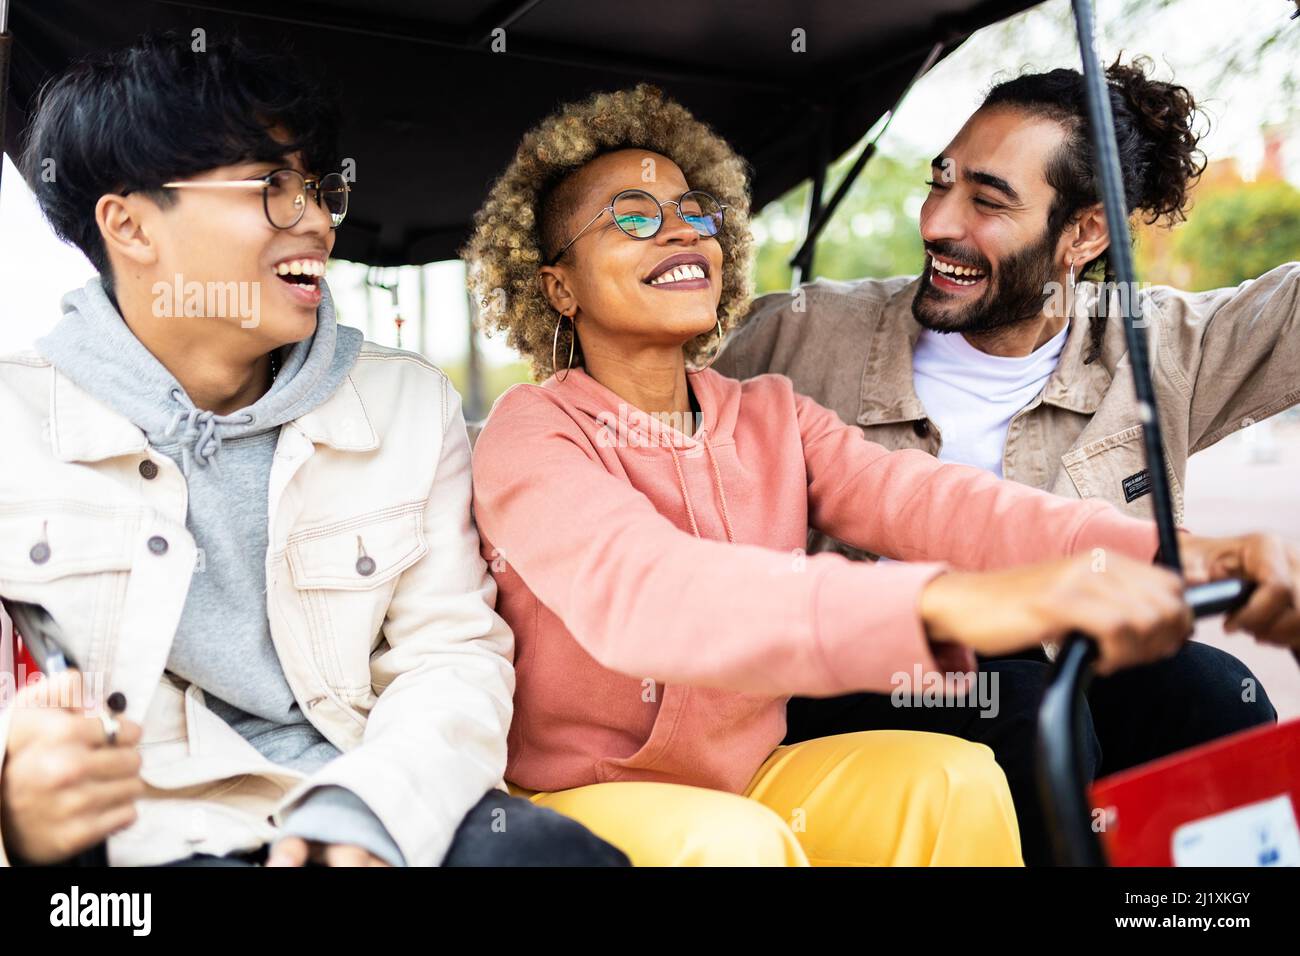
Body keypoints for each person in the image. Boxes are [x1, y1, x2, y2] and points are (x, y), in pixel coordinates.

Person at [463, 84, 1300, 866]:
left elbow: (940, 504)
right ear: (558, 285)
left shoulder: (769, 413)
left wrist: (1172, 555)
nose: (683, 231)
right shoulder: (532, 432)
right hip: (584, 792)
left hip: (754, 772)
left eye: (696, 212)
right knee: (738, 840)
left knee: (958, 780)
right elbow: (652, 593)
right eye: (634, 218)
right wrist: (952, 601)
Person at [0, 34, 628, 868]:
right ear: (131, 225)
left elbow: (451, 656)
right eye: (271, 187)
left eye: (319, 187)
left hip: (367, 795)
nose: (320, 220)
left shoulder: (405, 403)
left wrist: (370, 810)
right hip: (142, 835)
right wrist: (16, 806)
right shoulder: (13, 421)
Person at [711, 58, 1298, 864]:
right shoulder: (798, 337)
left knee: (1211, 694)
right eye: (939, 182)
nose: (938, 221)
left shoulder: (1157, 347)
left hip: (1065, 675)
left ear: (1085, 233)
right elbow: (625, 386)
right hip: (847, 681)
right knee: (1016, 692)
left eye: (988, 201)